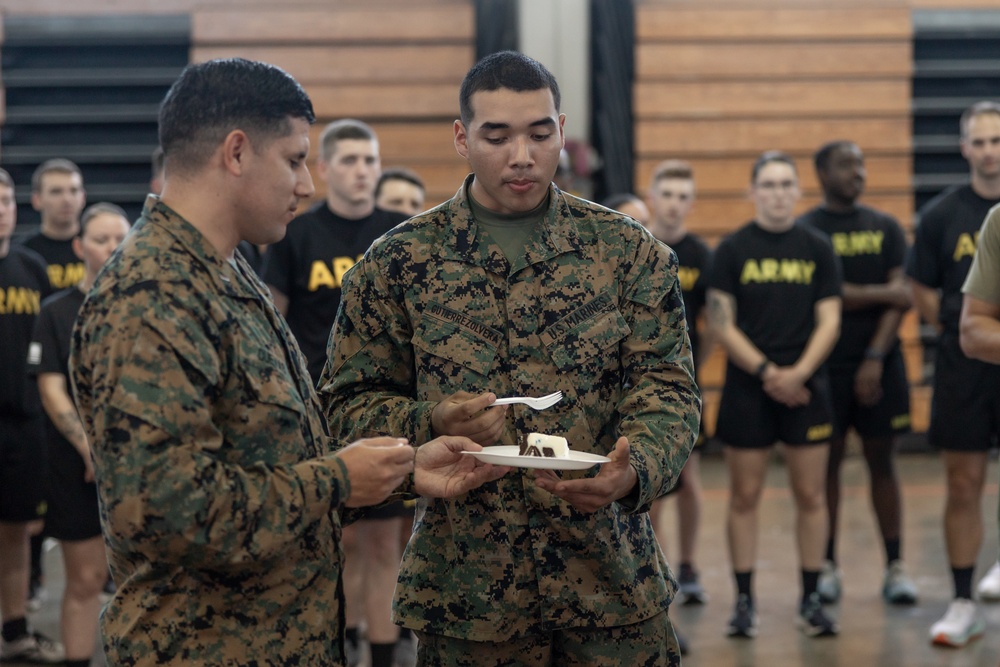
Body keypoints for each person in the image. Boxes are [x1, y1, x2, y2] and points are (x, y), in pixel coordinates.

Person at [68, 57, 506, 667]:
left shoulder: (225, 271)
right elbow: (168, 513)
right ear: (237, 152)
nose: (306, 184)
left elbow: (277, 443)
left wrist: (408, 460)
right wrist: (338, 480)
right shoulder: (151, 297)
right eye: (296, 159)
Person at [320, 50, 700, 666]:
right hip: (467, 598)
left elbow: (668, 389)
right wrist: (433, 422)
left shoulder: (629, 254)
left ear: (561, 131)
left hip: (611, 589)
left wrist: (637, 467)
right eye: (496, 136)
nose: (522, 156)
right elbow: (347, 406)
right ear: (461, 138)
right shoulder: (397, 264)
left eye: (539, 133)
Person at [265, 118, 410, 667]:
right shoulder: (297, 233)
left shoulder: (401, 233)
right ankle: (338, 644)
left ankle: (379, 654)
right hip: (318, 412)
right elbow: (273, 325)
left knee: (381, 544)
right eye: (349, 161)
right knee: (335, 543)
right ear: (324, 169)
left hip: (383, 407)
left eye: (370, 160)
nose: (362, 171)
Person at [707, 151, 842, 639]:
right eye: (768, 184)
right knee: (744, 496)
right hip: (749, 388)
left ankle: (811, 598)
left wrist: (798, 372)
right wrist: (769, 373)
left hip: (807, 388)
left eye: (787, 183)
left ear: (798, 190)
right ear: (753, 191)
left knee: (811, 494)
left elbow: (830, 319)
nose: (778, 192)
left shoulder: (817, 247)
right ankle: (744, 601)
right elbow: (722, 324)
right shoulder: (732, 249)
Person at [797, 140, 918, 606]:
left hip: (880, 365)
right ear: (822, 173)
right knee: (826, 466)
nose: (859, 172)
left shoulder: (886, 227)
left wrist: (873, 355)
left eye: (862, 164)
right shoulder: (808, 231)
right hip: (825, 368)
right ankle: (826, 565)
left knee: (882, 462)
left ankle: (896, 566)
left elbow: (903, 297)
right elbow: (825, 295)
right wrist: (880, 292)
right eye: (847, 165)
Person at [907, 100, 1000, 647]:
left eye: (997, 139)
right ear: (965, 148)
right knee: (963, 483)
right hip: (965, 364)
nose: (990, 150)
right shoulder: (944, 215)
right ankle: (963, 599)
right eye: (981, 141)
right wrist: (959, 327)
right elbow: (921, 290)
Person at [27, 203, 130, 667]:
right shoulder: (56, 312)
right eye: (101, 239)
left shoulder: (147, 307)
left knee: (142, 582)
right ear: (79, 246)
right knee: (86, 579)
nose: (112, 248)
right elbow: (51, 387)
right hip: (77, 467)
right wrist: (88, 446)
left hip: (139, 466)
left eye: (120, 239)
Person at [642, 160, 713, 607]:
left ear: (691, 202)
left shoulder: (702, 256)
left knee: (689, 477)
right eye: (666, 193)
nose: (673, 203)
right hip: (640, 386)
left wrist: (691, 372)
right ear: (652, 196)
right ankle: (658, 566)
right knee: (654, 483)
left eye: (682, 195)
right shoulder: (638, 247)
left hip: (686, 385)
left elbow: (713, 322)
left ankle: (688, 566)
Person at [0, 167, 62, 663]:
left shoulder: (31, 267)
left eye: (5, 200)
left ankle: (15, 627)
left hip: (23, 423)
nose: (1, 209)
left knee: (17, 531)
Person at [23, 159, 87, 291]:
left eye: (73, 191)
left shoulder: (97, 248)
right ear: (37, 200)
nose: (67, 200)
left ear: (83, 198)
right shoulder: (23, 254)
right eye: (56, 192)